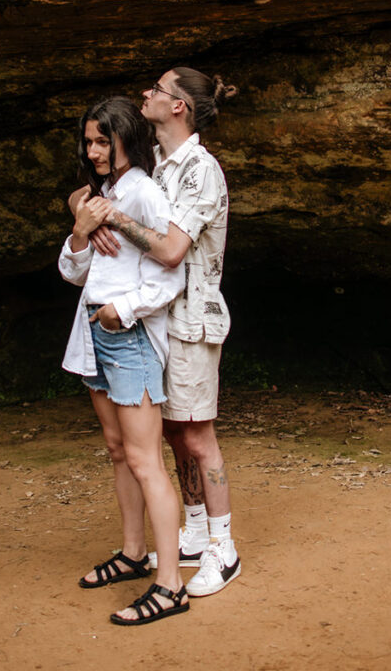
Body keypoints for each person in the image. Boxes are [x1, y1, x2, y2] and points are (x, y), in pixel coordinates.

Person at [72, 67, 240, 597]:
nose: (148, 93)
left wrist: (112, 219)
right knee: (169, 430)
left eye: (159, 90)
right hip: (158, 322)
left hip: (190, 320)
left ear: (179, 108)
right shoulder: (159, 162)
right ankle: (191, 527)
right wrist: (86, 211)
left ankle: (222, 547)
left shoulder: (200, 170)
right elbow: (90, 191)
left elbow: (169, 250)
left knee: (196, 434)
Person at [59, 96, 188, 624]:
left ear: (125, 139)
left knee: (144, 461)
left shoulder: (145, 193)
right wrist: (81, 230)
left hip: (126, 337)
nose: (92, 151)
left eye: (101, 141)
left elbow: (170, 272)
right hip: (92, 336)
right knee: (118, 451)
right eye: (87, 141)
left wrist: (122, 310)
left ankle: (171, 584)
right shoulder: (101, 195)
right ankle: (134, 555)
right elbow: (72, 271)